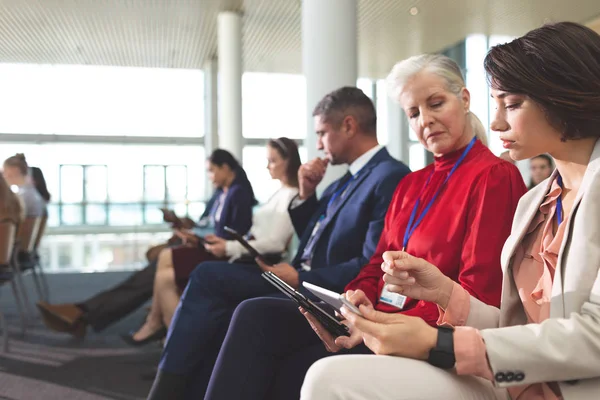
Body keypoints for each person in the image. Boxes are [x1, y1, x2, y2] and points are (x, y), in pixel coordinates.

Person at [300, 21, 600, 400]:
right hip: (515, 376)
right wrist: (441, 292)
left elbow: (593, 337)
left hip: (546, 382)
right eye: (413, 112)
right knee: (316, 369)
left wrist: (435, 341)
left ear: (564, 96)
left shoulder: (497, 176)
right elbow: (510, 322)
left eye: (512, 104)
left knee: (314, 367)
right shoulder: (534, 202)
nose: (496, 122)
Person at [203, 53, 528, 400]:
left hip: (424, 333)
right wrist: (357, 297)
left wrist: (378, 323)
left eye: (436, 104)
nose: (426, 121)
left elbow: (478, 293)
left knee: (286, 363)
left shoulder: (493, 176)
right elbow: (377, 262)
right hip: (377, 320)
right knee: (257, 315)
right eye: (414, 113)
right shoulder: (411, 184)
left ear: (464, 99)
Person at [146, 86, 411, 399]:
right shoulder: (344, 180)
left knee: (208, 278)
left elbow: (370, 262)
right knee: (210, 283)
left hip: (320, 288)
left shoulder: (389, 176)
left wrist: (302, 277)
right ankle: (180, 384)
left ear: (349, 126)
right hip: (296, 276)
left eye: (322, 133)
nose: (318, 144)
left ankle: (167, 389)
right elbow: (316, 237)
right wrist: (306, 195)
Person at [35, 150, 253, 339]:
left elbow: (232, 234)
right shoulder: (220, 194)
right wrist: (184, 226)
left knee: (148, 275)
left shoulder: (238, 194)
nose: (210, 176)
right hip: (200, 246)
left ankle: (86, 313)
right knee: (147, 274)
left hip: (213, 254)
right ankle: (86, 313)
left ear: (226, 167)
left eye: (212, 171)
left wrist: (198, 237)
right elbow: (206, 224)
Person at [122, 138, 301, 345]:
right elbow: (256, 236)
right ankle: (172, 344)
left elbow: (274, 244)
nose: (267, 166)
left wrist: (228, 246)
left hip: (255, 264)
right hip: (245, 255)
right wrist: (226, 243)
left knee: (170, 274)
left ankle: (174, 344)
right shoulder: (279, 193)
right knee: (164, 275)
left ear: (288, 161)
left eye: (272, 160)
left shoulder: (291, 196)